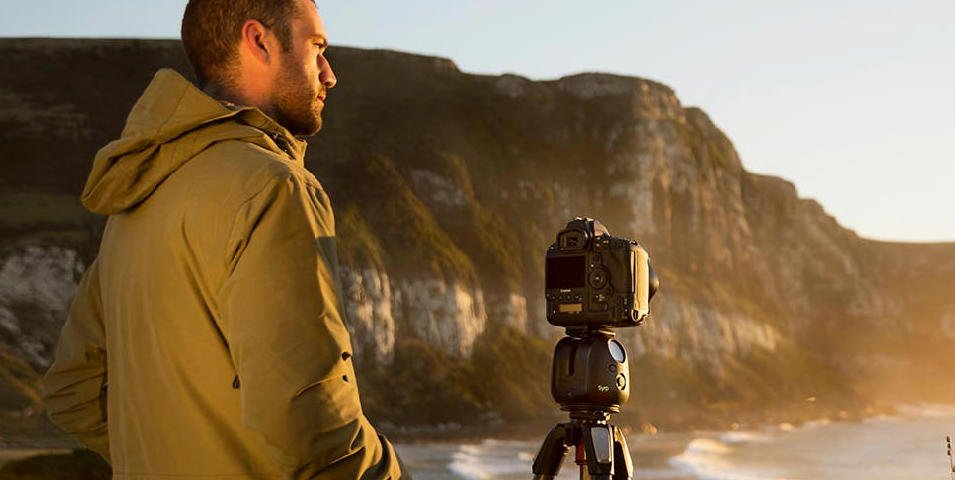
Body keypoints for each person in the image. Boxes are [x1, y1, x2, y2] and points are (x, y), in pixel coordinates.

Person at [42, 0, 406, 478]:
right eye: (316, 47)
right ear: (260, 41)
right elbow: (308, 420)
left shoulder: (139, 196)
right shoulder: (273, 187)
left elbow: (74, 391)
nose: (329, 73)